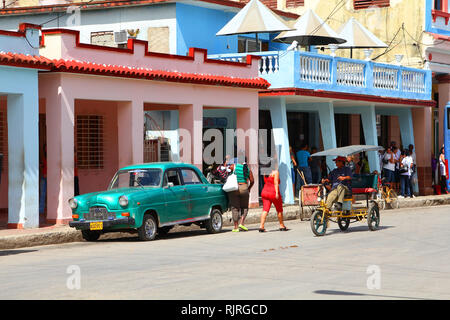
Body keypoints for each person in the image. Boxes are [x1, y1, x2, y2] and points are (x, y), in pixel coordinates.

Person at [228, 158, 254, 232]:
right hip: (244, 188)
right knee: (244, 207)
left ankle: (236, 227)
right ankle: (241, 223)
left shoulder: (234, 166)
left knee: (234, 207)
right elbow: (252, 181)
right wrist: (249, 188)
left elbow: (227, 172)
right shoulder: (247, 169)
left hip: (234, 188)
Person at [259, 168, 287, 232]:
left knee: (265, 210)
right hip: (273, 192)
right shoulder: (275, 172)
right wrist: (277, 193)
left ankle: (261, 226)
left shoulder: (265, 172)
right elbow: (276, 183)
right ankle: (281, 225)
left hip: (265, 192)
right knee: (279, 209)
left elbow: (265, 181)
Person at [39, 144, 47, 215]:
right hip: (43, 177)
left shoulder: (52, 157)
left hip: (50, 179)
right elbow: (41, 166)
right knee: (43, 194)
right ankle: (41, 210)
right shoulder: (43, 157)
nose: (46, 149)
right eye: (45, 147)